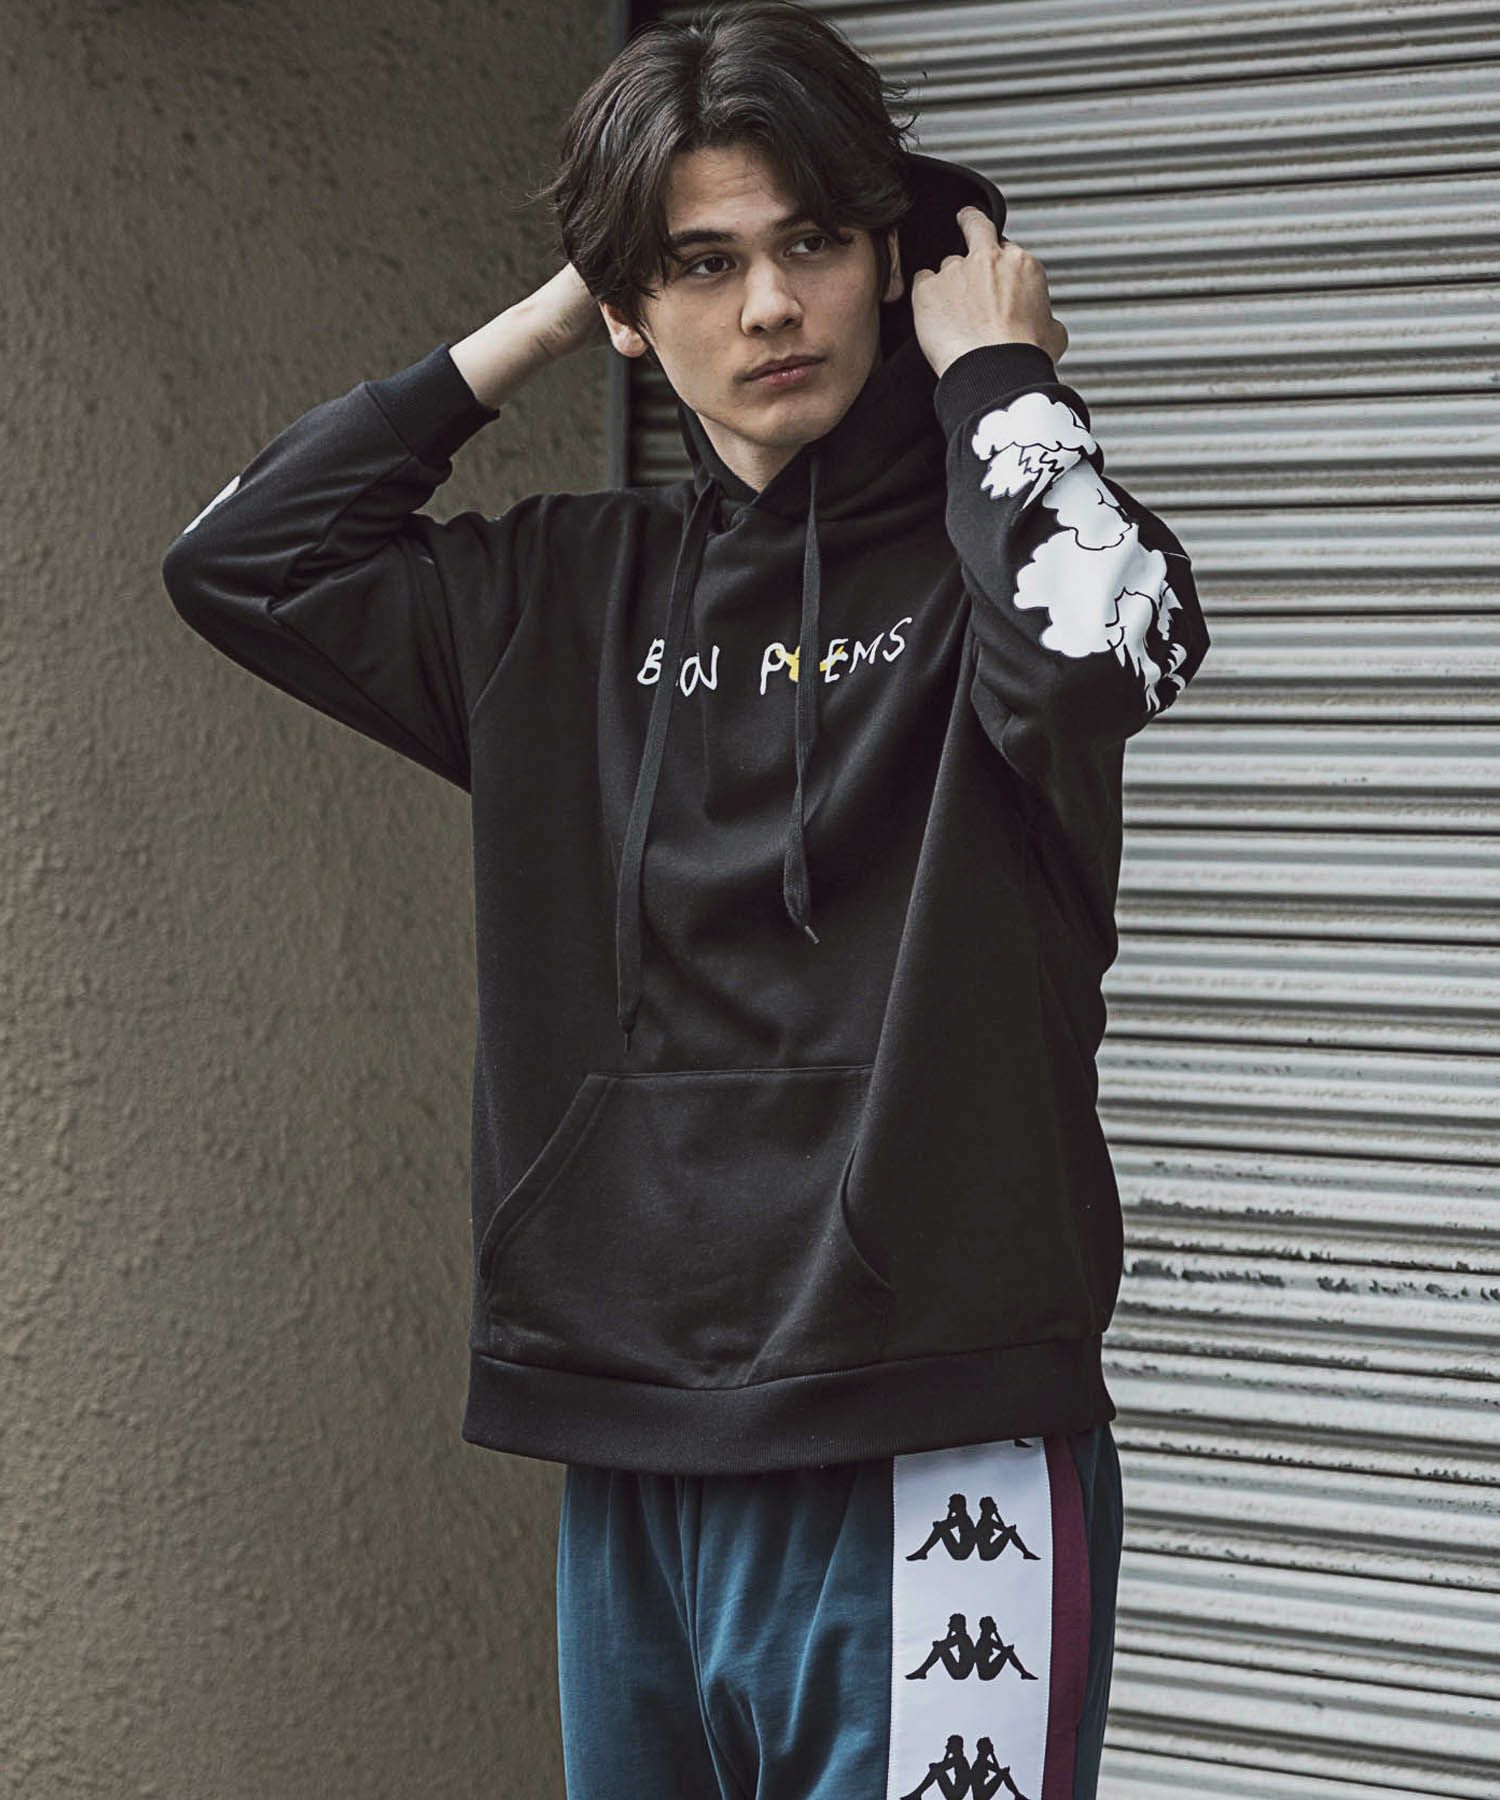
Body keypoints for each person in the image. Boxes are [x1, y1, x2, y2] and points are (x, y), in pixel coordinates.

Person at [160, 2, 1210, 1793]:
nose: (772, 307)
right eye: (704, 265)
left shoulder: (988, 572)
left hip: (934, 1432)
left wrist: (1000, 385)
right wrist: (553, 313)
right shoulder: (559, 599)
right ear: (636, 313)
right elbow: (239, 559)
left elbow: (1108, 652)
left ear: (894, 257)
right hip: (632, 1437)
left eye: (815, 242)